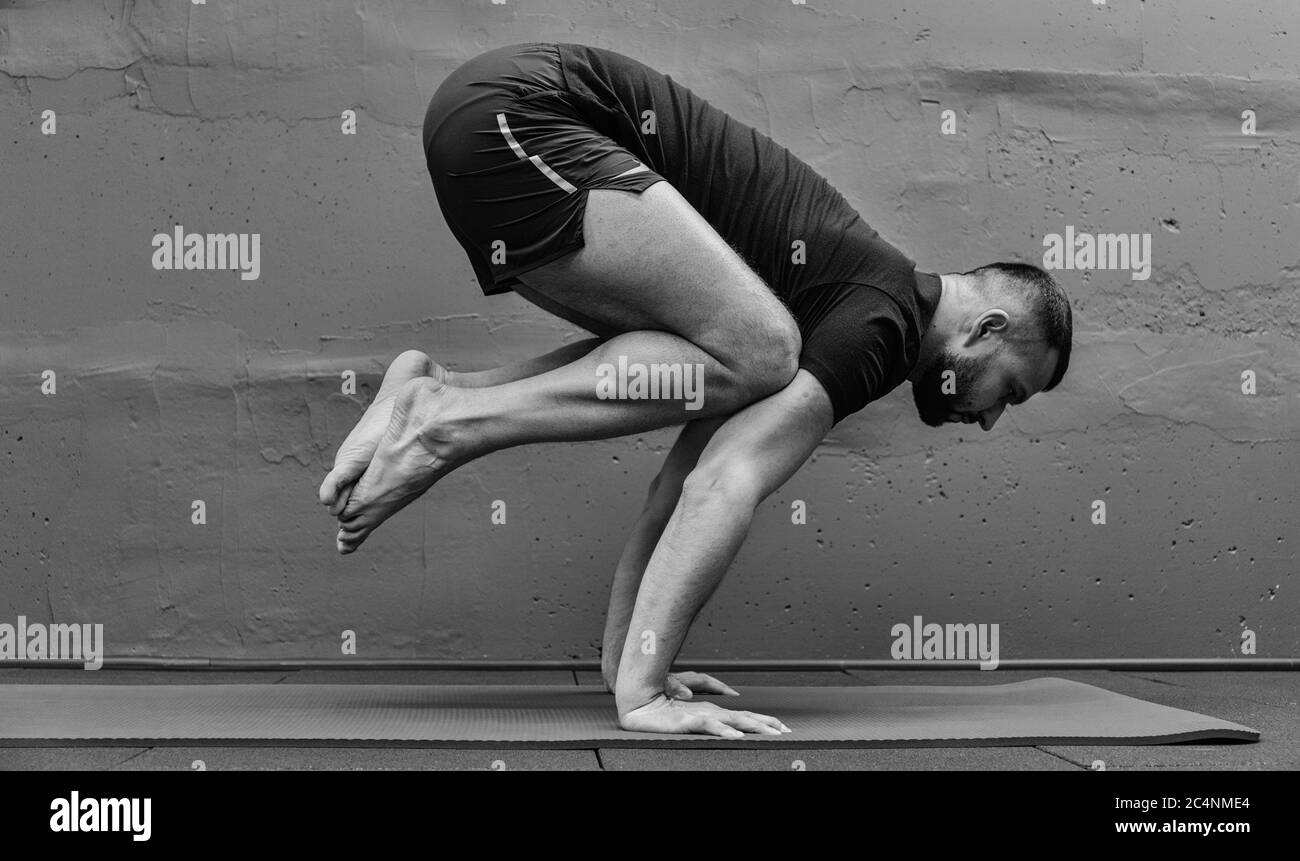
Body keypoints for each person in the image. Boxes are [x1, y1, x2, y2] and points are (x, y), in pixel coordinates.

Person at [317, 43, 1072, 738]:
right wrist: (645, 698)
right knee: (761, 347)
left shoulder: (848, 308)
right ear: (985, 330)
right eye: (1012, 390)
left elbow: (680, 486)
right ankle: (444, 422)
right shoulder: (884, 324)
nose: (992, 420)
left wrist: (629, 665)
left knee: (722, 355)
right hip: (521, 116)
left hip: (494, 124)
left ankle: (439, 390)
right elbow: (725, 483)